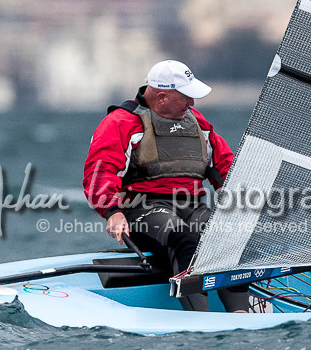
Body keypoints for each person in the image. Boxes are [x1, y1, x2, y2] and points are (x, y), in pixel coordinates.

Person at [83, 60, 250, 313]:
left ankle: (241, 314)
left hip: (192, 206)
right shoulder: (121, 123)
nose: (191, 104)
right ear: (162, 97)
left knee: (228, 233)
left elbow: (225, 165)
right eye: (186, 97)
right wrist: (112, 212)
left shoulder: (198, 123)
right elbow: (100, 173)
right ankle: (200, 318)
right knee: (184, 237)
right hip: (143, 210)